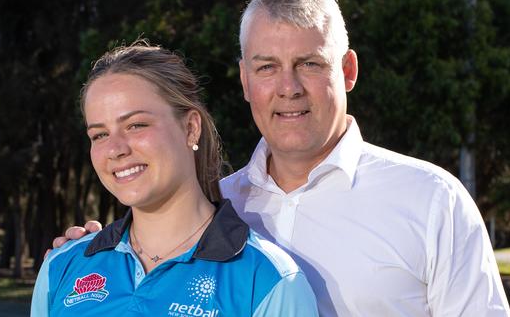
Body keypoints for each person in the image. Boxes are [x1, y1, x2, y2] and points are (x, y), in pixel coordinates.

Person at [53, 0, 510, 316]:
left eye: (309, 63)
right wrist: (94, 255)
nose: (287, 87)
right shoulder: (218, 206)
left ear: (348, 70)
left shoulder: (431, 200)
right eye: (267, 67)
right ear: (245, 80)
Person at [32, 42, 318, 317]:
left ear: (191, 128)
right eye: (100, 134)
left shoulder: (269, 280)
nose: (116, 149)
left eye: (136, 125)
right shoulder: (63, 266)